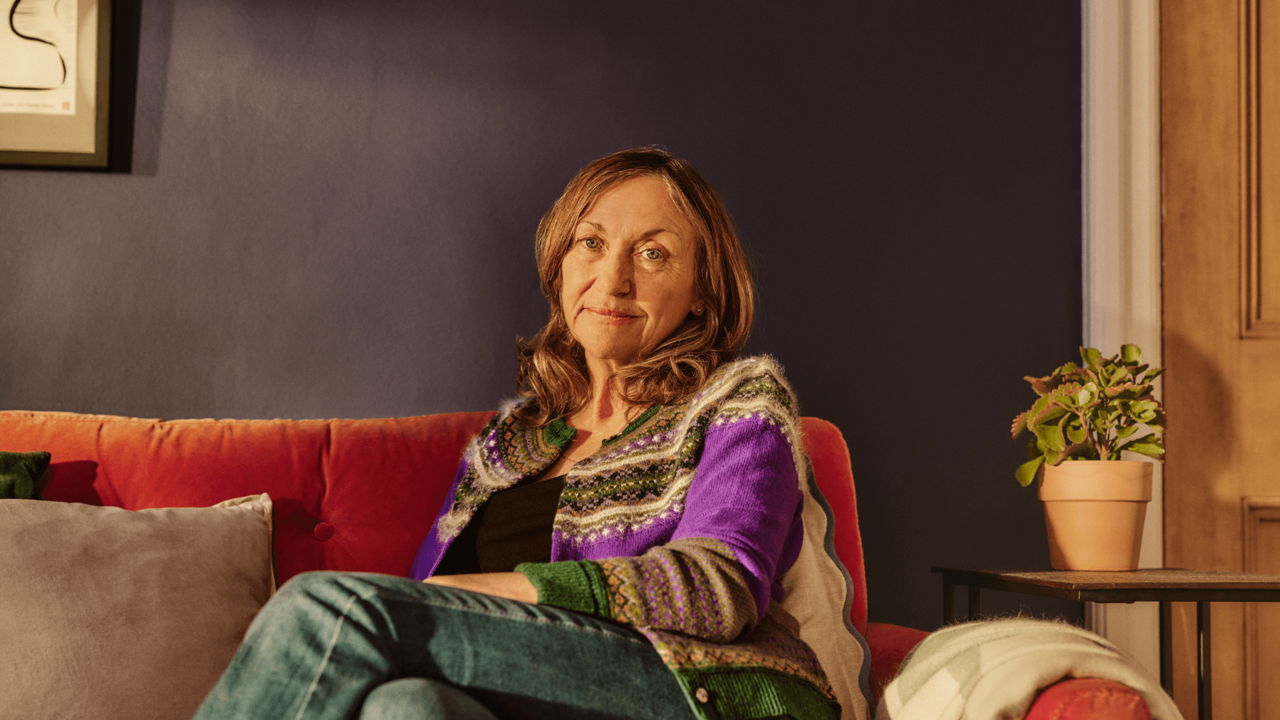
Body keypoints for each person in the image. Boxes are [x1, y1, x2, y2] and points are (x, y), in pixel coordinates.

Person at [192, 148, 848, 720]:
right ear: (560, 265)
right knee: (404, 707)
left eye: (653, 253)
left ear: (703, 291)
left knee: (333, 610)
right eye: (591, 242)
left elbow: (716, 588)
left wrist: (490, 592)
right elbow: (439, 612)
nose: (613, 278)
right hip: (530, 695)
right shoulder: (508, 444)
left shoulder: (738, 402)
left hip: (694, 689)